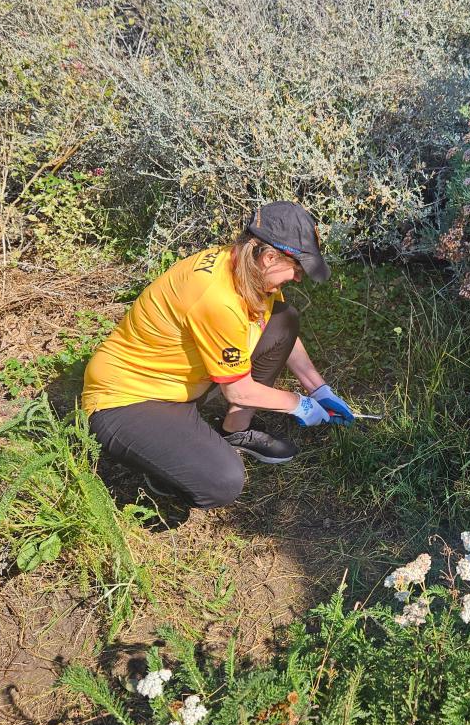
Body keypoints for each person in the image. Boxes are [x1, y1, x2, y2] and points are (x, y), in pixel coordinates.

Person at [81, 202, 354, 509]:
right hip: (128, 400)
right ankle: (166, 469)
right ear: (269, 257)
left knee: (283, 318)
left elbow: (277, 330)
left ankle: (234, 432)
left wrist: (318, 389)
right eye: (297, 268)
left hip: (179, 381)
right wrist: (299, 404)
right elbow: (238, 389)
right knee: (224, 481)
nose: (298, 278)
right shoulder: (218, 297)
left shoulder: (245, 266)